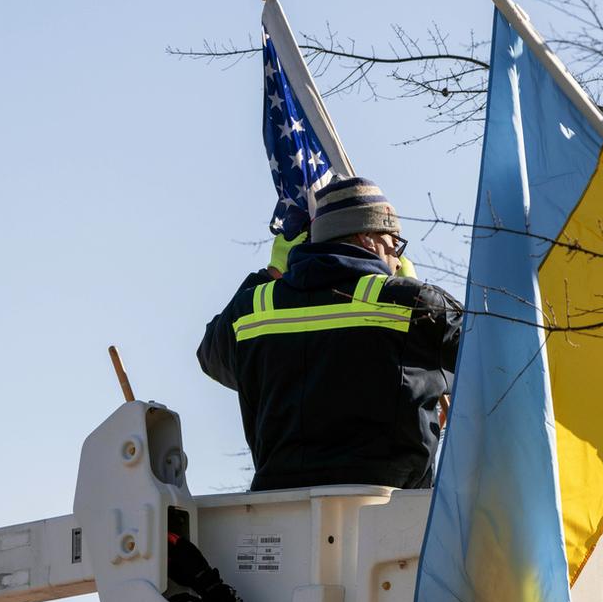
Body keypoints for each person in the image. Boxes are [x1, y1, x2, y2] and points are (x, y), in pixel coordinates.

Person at [198, 176, 462, 491]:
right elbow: (496, 353)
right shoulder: (412, 305)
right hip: (390, 514)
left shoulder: (253, 308)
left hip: (279, 512)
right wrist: (420, 297)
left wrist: (269, 276)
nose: (397, 260)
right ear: (367, 238)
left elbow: (211, 356)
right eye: (396, 244)